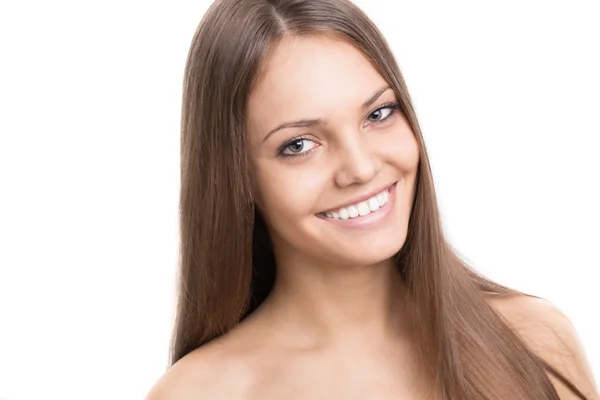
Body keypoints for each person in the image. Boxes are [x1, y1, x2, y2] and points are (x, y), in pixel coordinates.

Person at [146, 0, 599, 398]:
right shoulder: (199, 393)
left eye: (378, 114)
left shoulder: (535, 340)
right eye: (299, 144)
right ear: (237, 179)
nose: (361, 168)